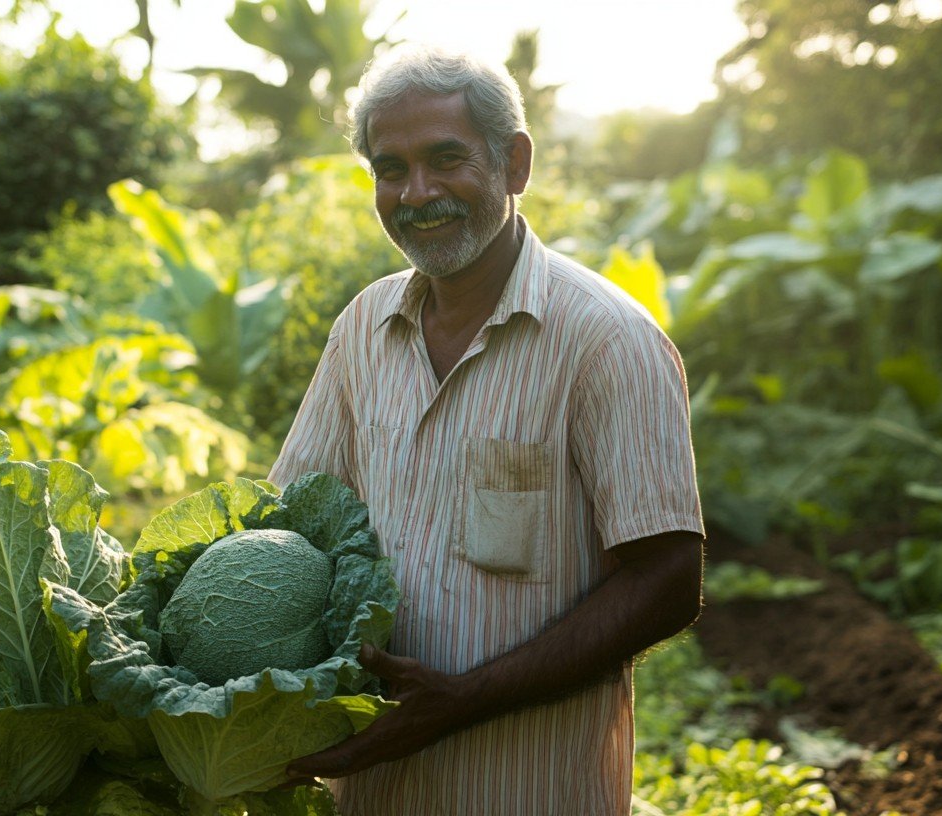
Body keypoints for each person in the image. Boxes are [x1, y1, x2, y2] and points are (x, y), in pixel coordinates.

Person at [267, 45, 706, 815]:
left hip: (528, 790)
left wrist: (464, 700)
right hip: (368, 792)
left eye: (446, 159)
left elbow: (666, 582)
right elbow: (290, 524)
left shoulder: (607, 340)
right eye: (391, 169)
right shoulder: (362, 329)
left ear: (515, 163)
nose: (418, 193)